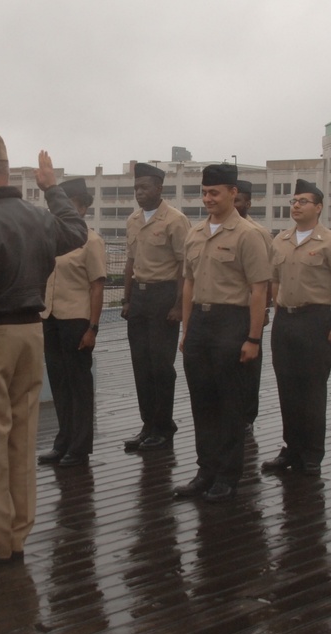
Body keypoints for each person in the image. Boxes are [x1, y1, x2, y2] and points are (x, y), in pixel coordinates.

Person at [0, 136, 88, 563]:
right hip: (32, 334)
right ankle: (18, 533)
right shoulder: (37, 216)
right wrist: (50, 186)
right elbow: (77, 232)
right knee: (23, 439)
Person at [173, 165, 271, 502]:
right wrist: (187, 331)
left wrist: (253, 338)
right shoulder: (195, 233)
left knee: (230, 405)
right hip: (201, 322)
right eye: (204, 192)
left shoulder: (248, 235)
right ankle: (206, 471)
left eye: (215, 192)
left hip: (233, 322)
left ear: (232, 192)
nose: (208, 199)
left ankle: (228, 476)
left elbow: (259, 289)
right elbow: (188, 283)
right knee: (202, 403)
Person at [262, 179, 331, 477]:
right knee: (287, 389)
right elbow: (274, 279)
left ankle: (312, 454)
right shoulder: (280, 240)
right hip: (286, 322)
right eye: (294, 201)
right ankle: (291, 448)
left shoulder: (330, 242)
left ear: (318, 207)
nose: (296, 205)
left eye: (303, 201)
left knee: (312, 391)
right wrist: (279, 307)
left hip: (315, 321)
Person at [37, 178, 107, 468]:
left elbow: (97, 287)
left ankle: (80, 447)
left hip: (77, 319)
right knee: (59, 383)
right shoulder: (50, 237)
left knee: (79, 384)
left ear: (81, 207)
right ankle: (63, 440)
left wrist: (92, 327)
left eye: (68, 205)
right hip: (50, 316)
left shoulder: (91, 241)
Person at [121, 163, 191, 453]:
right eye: (136, 188)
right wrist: (126, 299)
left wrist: (178, 305)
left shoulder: (175, 220)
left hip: (164, 296)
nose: (139, 193)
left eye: (145, 187)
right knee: (141, 364)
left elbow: (183, 267)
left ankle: (163, 426)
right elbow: (130, 262)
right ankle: (148, 424)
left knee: (161, 366)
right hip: (139, 296)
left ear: (159, 188)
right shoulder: (133, 220)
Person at [234, 179, 274, 433]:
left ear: (247, 203)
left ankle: (247, 417)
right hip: (227, 310)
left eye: (239, 200)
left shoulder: (257, 233)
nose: (234, 205)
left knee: (249, 366)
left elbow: (265, 277)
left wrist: (265, 310)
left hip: (250, 310)